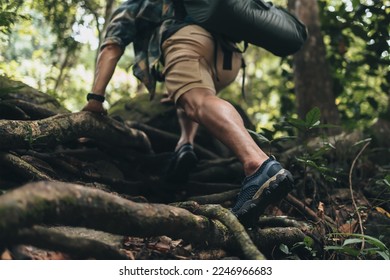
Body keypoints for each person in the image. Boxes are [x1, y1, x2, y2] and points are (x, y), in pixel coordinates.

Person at [81, 0, 294, 225]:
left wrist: (96, 99)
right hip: (228, 57)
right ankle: (186, 144)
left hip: (187, 39)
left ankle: (258, 165)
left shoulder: (136, 3)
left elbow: (112, 46)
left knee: (198, 101)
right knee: (189, 95)